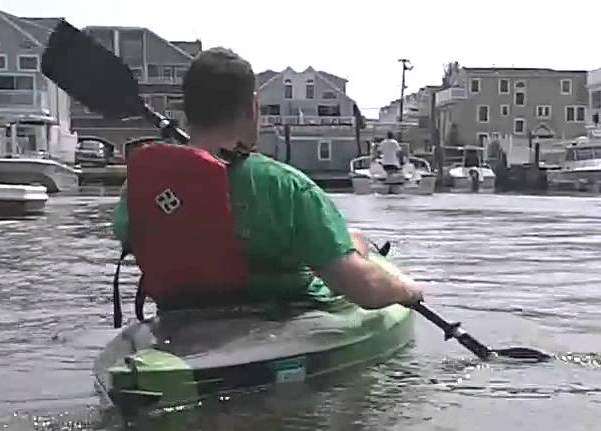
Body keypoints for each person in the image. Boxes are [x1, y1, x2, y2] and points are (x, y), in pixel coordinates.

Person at [109, 47, 422, 317]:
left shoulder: (139, 189)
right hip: (281, 314)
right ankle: (356, 248)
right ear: (252, 108)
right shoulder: (285, 187)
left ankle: (353, 244)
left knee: (352, 237)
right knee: (352, 244)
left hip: (179, 314)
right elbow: (364, 289)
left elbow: (138, 237)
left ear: (188, 110)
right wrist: (407, 290)